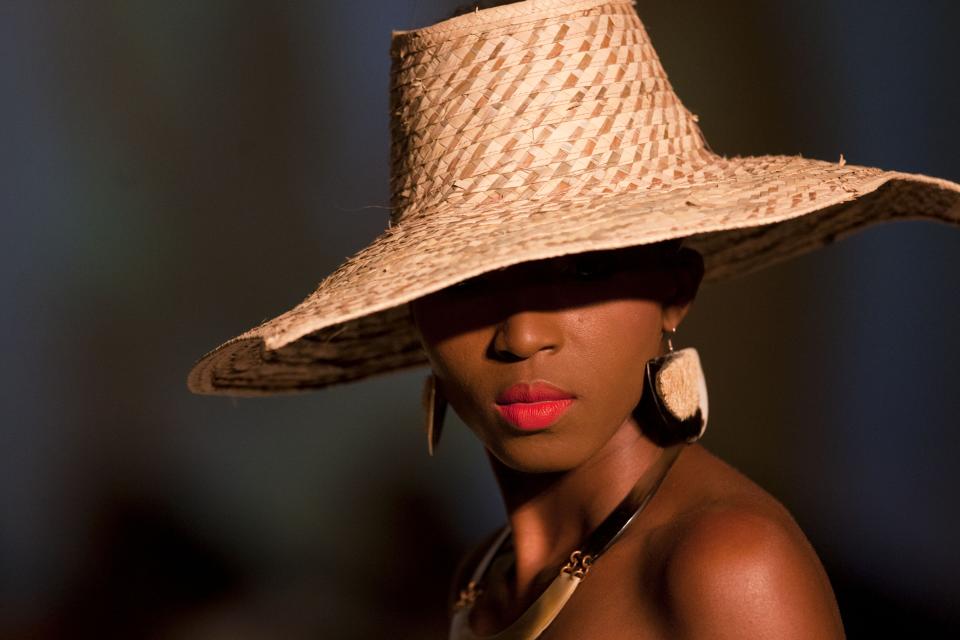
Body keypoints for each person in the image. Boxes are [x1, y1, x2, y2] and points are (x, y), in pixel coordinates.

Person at [187, 0, 960, 637]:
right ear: (413, 310)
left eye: (584, 272)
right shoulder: (482, 577)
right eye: (468, 281)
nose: (522, 336)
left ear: (674, 290)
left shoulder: (726, 563)